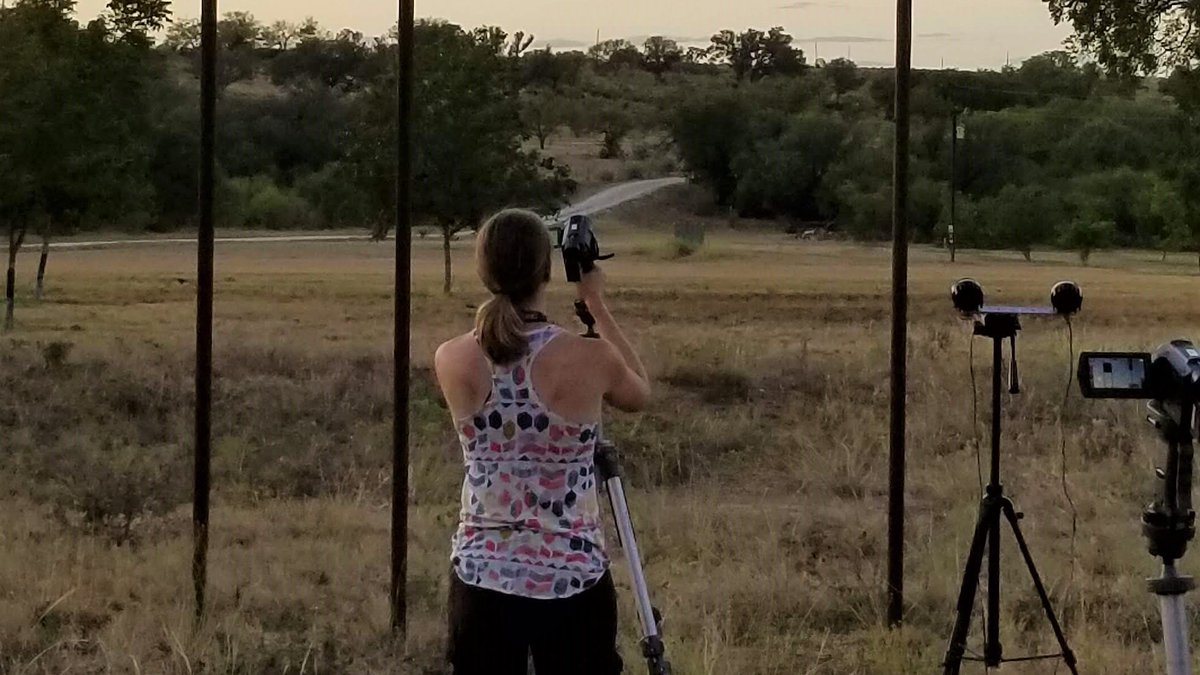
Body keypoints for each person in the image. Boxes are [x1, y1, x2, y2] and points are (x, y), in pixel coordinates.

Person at [434, 209, 652, 675]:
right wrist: (595, 304)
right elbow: (639, 393)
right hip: (572, 577)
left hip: (480, 575)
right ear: (547, 271)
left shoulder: (450, 358)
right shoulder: (589, 358)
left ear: (483, 270)